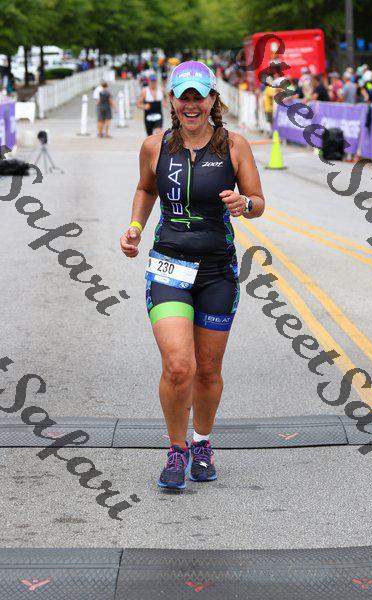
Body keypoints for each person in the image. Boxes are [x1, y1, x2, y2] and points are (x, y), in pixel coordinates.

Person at [120, 60, 265, 491]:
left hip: (218, 272)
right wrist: (135, 226)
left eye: (198, 96)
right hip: (168, 266)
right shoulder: (154, 147)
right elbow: (146, 188)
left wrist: (245, 205)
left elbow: (258, 200)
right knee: (179, 366)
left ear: (212, 99)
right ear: (171, 100)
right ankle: (176, 449)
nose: (191, 104)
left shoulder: (234, 146)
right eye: (183, 96)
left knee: (207, 370)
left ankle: (202, 443)